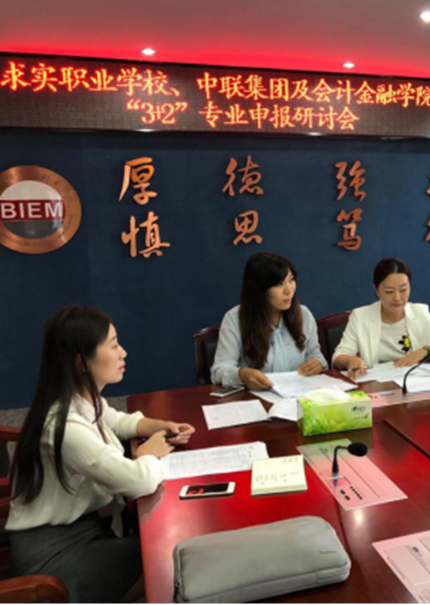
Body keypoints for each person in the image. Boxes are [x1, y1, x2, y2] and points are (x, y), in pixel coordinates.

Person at [7, 307, 195, 604]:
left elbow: (115, 420)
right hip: (55, 553)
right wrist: (148, 454)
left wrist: (159, 425)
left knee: (173, 553)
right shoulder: (65, 426)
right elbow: (138, 482)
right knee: (175, 558)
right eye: (114, 345)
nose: (124, 353)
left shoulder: (77, 398)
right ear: (82, 362)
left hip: (82, 527)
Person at [211, 252, 327, 390]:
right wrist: (242, 375)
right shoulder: (234, 318)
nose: (289, 290)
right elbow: (219, 371)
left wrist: (317, 363)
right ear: (259, 289)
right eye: (279, 284)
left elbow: (315, 355)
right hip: (256, 396)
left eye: (291, 280)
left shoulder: (304, 314)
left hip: (299, 394)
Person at [333, 257, 430, 379]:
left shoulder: (420, 313)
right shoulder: (360, 317)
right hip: (378, 383)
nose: (397, 298)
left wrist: (425, 351)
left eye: (403, 290)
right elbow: (338, 357)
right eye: (389, 291)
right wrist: (350, 360)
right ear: (377, 291)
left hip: (414, 382)